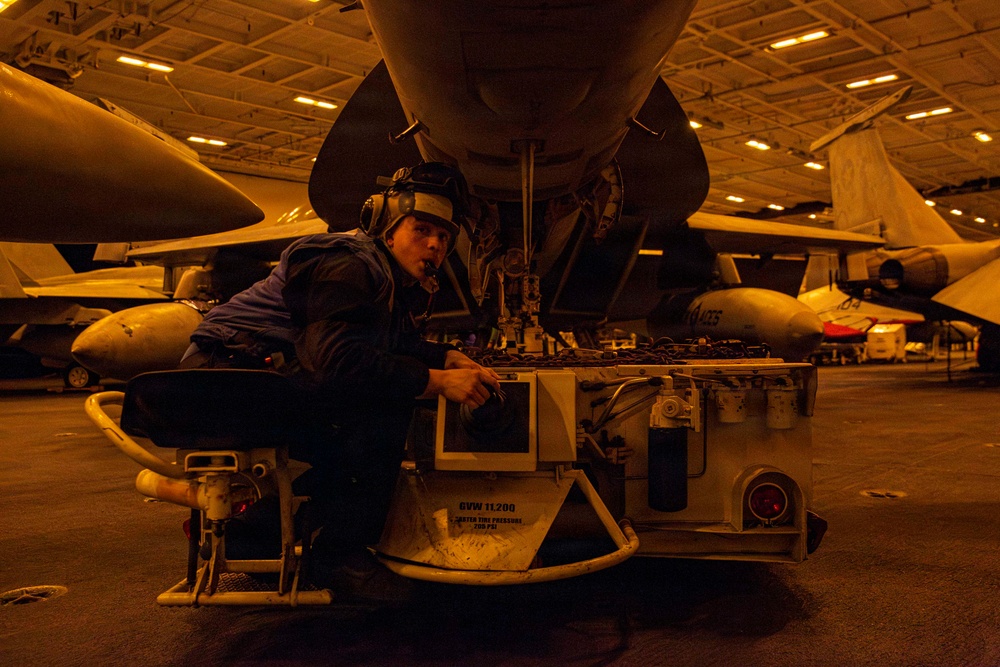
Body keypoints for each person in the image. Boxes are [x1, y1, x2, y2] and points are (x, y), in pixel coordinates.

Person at [179, 162, 500, 602]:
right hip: (222, 379)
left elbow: (381, 343)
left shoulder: (381, 275)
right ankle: (341, 557)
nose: (434, 245)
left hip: (245, 376)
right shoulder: (346, 264)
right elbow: (339, 360)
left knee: (369, 409)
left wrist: (445, 355)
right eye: (421, 229)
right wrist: (436, 380)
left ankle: (254, 532)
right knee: (380, 412)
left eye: (444, 237)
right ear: (385, 227)